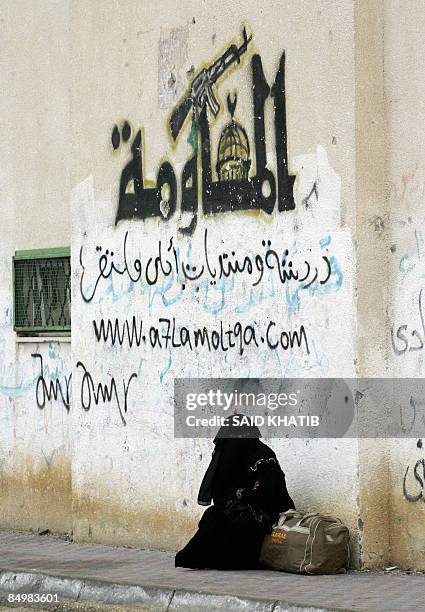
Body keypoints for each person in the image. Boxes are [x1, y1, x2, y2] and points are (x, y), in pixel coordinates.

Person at [175, 415, 295, 569]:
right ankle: (194, 558)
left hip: (270, 514)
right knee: (213, 515)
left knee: (242, 523)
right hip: (242, 508)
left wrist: (241, 495)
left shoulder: (263, 456)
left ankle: (230, 560)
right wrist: (240, 496)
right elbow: (221, 495)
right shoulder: (230, 456)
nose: (232, 447)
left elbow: (265, 495)